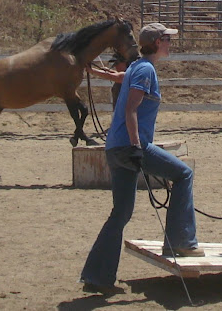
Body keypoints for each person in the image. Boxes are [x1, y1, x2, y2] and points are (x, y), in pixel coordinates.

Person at [80, 23, 204, 295]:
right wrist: (137, 146)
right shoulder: (146, 69)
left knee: (121, 213)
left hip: (114, 149)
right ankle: (181, 241)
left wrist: (94, 71)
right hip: (130, 146)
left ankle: (96, 276)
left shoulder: (137, 67)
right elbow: (131, 108)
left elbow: (120, 78)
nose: (170, 44)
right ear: (158, 42)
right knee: (184, 174)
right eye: (167, 40)